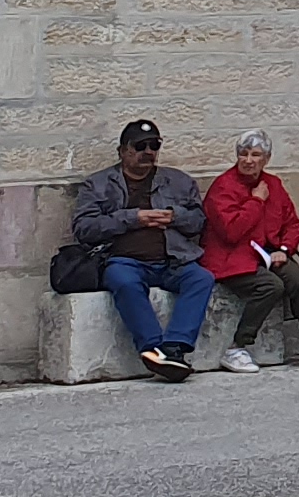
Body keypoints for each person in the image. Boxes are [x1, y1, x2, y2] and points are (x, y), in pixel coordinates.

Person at [70, 120, 214, 381]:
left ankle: (174, 347)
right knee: (123, 281)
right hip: (124, 260)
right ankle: (152, 348)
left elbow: (199, 222)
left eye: (154, 145)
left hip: (173, 260)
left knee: (201, 278)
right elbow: (84, 228)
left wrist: (175, 216)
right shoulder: (98, 184)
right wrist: (132, 218)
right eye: (140, 146)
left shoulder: (179, 181)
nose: (148, 151)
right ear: (123, 151)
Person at [203, 131, 299, 371]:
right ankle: (237, 347)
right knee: (270, 286)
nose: (248, 160)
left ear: (267, 159)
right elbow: (231, 231)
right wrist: (256, 201)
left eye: (256, 155)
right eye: (243, 154)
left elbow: (293, 223)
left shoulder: (273, 184)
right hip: (231, 259)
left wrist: (284, 249)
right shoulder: (223, 186)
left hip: (268, 255)